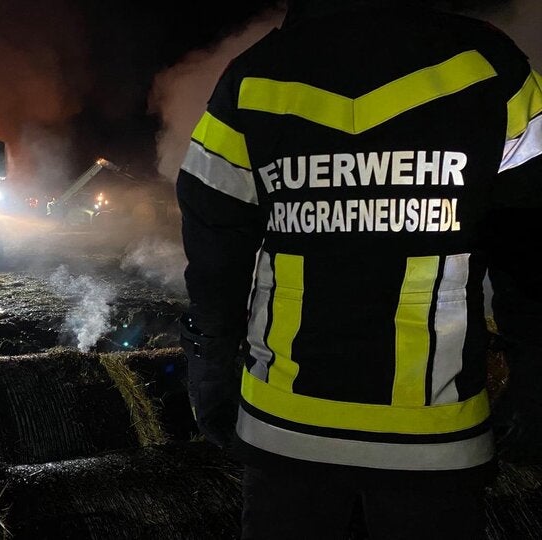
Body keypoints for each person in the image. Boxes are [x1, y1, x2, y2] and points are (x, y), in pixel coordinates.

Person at [176, 0, 542, 537]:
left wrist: (209, 371)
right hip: (433, 439)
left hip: (286, 428)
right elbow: (531, 246)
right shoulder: (488, 64)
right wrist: (533, 377)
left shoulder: (254, 75)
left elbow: (214, 246)